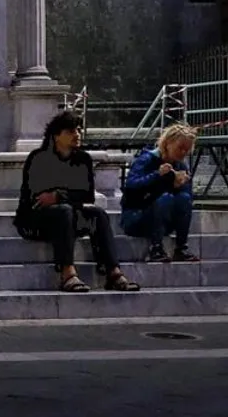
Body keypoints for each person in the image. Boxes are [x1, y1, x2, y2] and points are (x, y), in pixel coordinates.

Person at [15, 111, 140, 293]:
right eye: (71, 131)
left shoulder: (83, 160)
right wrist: (66, 196)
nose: (77, 134)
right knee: (63, 210)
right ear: (56, 136)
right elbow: (38, 198)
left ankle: (113, 272)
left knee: (97, 214)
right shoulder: (38, 159)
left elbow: (86, 196)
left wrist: (59, 195)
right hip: (35, 220)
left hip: (68, 215)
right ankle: (67, 273)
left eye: (78, 130)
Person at [122, 123, 200, 262]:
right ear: (168, 144)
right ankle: (156, 248)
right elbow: (131, 186)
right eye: (180, 148)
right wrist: (157, 175)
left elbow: (186, 197)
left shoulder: (180, 165)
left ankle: (181, 247)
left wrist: (180, 186)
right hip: (137, 216)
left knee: (184, 198)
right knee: (165, 198)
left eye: (186, 150)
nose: (183, 153)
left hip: (164, 220)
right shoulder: (147, 159)